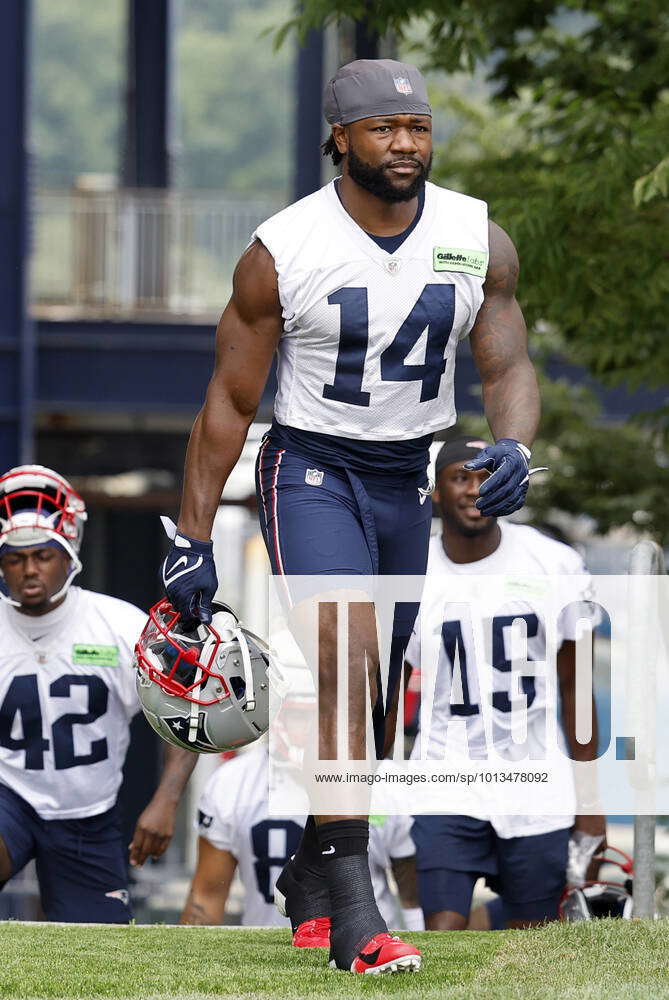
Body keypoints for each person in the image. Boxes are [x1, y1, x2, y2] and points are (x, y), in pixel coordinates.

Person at [160, 58, 540, 973]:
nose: (403, 144)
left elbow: (507, 366)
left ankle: (305, 872)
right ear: (338, 138)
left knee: (371, 702)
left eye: (416, 130)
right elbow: (226, 403)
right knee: (342, 657)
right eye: (381, 129)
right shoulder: (282, 248)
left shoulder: (471, 234)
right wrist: (190, 537)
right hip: (311, 466)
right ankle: (357, 919)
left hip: (406, 474)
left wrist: (517, 448)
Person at [406, 437, 605, 929]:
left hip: (536, 784)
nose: (476, 489)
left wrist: (591, 807)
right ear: (435, 490)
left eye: (487, 476)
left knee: (530, 948)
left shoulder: (553, 563)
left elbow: (576, 689)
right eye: (461, 477)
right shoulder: (410, 570)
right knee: (442, 936)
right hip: (443, 778)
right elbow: (387, 693)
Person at [0, 465, 196, 923]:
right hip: (9, 795)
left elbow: (185, 712)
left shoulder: (121, 626)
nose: (29, 569)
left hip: (88, 814)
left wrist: (165, 801)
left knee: (98, 949)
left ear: (69, 553)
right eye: (14, 557)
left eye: (43, 555)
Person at [180, 742, 423, 933]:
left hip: (366, 940)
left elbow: (414, 900)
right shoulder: (233, 781)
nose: (303, 728)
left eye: (312, 713)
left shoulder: (387, 782)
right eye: (294, 713)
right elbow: (206, 897)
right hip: (266, 946)